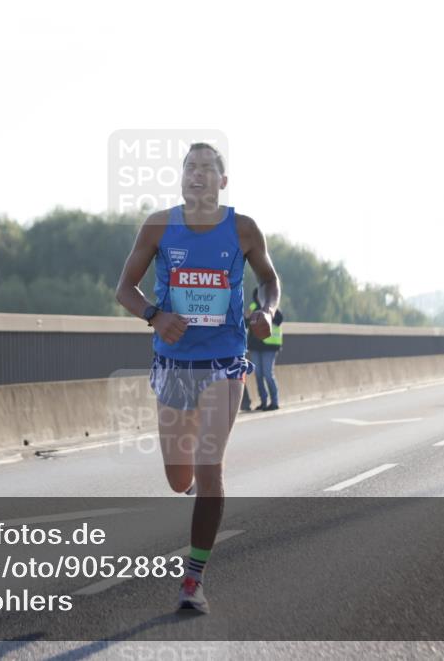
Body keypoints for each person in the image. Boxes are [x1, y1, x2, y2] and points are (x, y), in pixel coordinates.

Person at [115, 142, 281, 614]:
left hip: (225, 361)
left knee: (210, 471)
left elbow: (270, 278)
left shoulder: (243, 228)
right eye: (190, 167)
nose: (197, 175)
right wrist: (154, 315)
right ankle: (193, 487)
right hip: (173, 363)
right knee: (177, 477)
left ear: (222, 182)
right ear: (181, 177)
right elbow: (124, 288)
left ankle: (193, 578)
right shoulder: (159, 226)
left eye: (207, 169)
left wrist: (265, 310)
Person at [247, 286, 283, 411]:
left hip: (270, 346)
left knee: (268, 374)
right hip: (256, 345)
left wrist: (266, 313)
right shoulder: (252, 307)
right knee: (258, 374)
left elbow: (279, 319)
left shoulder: (271, 306)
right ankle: (263, 402)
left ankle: (274, 401)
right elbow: (246, 322)